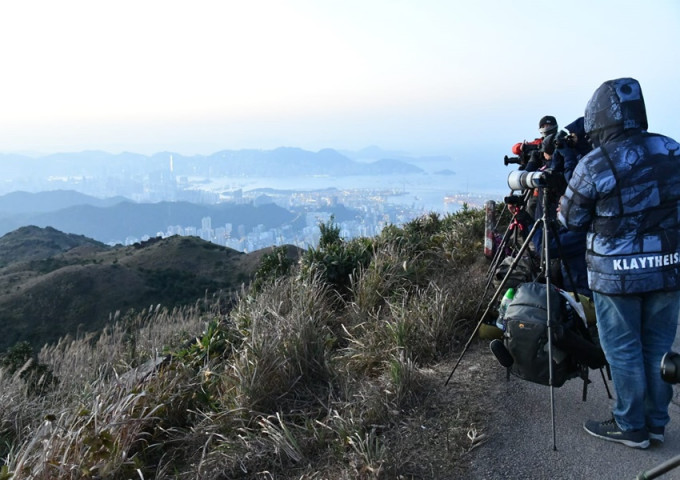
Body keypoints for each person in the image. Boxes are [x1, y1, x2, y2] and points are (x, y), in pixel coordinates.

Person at [558, 77, 680, 449]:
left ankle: (630, 425)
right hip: (668, 266)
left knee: (623, 347)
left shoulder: (595, 164)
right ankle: (656, 422)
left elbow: (570, 221)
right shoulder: (671, 149)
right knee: (659, 346)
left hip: (617, 276)